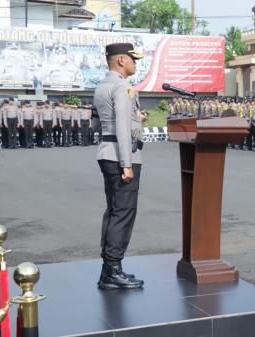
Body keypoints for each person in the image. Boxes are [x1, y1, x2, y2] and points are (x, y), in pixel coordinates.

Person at [94, 43, 146, 290]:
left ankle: (108, 270)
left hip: (106, 151)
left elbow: (96, 123)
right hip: (122, 156)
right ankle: (114, 269)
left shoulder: (102, 85)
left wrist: (137, 118)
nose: (136, 64)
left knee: (113, 210)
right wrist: (126, 163)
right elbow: (123, 126)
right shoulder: (123, 86)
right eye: (133, 60)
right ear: (121, 60)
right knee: (123, 212)